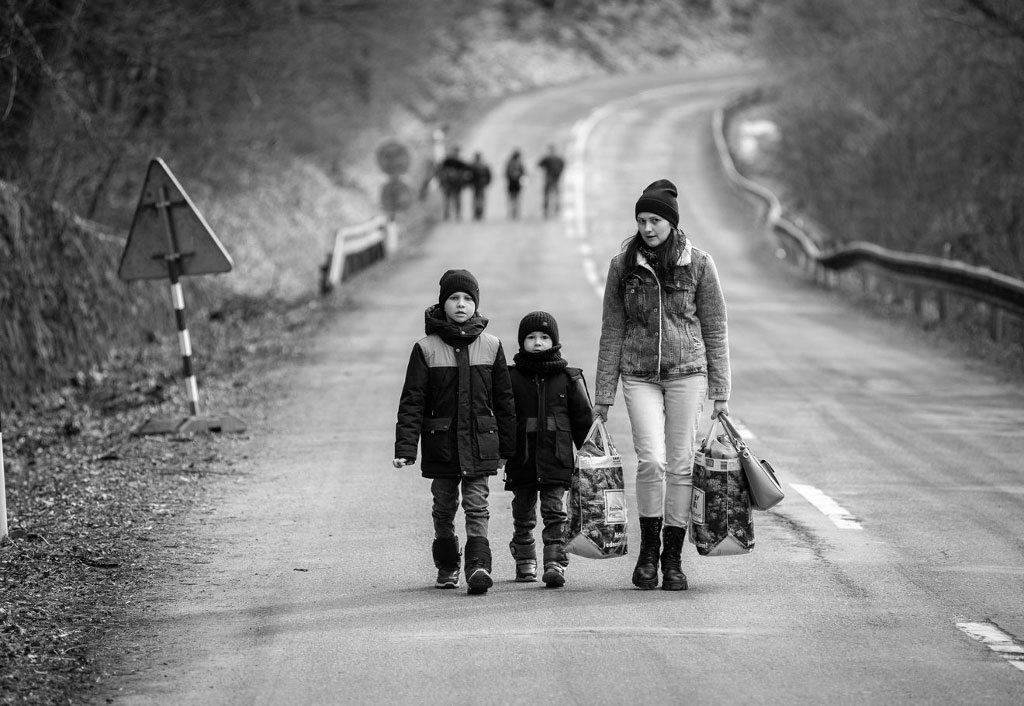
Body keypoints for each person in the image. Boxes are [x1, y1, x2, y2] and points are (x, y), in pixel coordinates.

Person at [593, 179, 731, 592]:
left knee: (681, 464)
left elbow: (715, 328)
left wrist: (721, 391)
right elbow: (612, 330)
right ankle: (648, 552)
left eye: (655, 220)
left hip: (688, 372)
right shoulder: (623, 266)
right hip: (639, 374)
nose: (647, 228)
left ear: (672, 222)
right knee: (651, 461)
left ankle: (672, 559)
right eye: (641, 220)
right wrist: (603, 396)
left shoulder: (699, 264)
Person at [394, 269, 516, 594]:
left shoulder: (492, 346)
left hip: (479, 443)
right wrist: (405, 448)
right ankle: (447, 564)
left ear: (476, 304)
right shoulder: (426, 348)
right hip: (442, 446)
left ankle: (478, 566)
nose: (461, 304)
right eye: (453, 298)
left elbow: (504, 402)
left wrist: (508, 448)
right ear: (442, 303)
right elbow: (413, 402)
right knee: (444, 505)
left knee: (477, 505)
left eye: (467, 298)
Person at [504, 312, 592, 588]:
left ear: (554, 341)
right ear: (522, 342)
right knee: (523, 512)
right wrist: (500, 453)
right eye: (531, 337)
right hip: (522, 459)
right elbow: (502, 418)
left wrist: (590, 455)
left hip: (557, 458)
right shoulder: (510, 377)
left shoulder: (568, 378)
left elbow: (583, 422)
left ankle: (555, 562)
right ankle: (524, 559)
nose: (538, 342)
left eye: (544, 337)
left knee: (555, 512)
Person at [437, 146, 471, 221]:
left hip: (456, 185)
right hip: (448, 184)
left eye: (456, 152)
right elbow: (440, 172)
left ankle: (457, 214)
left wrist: (464, 181)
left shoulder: (460, 163)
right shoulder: (446, 162)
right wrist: (442, 181)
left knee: (457, 200)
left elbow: (467, 172)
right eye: (455, 152)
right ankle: (447, 214)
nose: (455, 154)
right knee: (447, 200)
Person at [537, 145, 565, 219]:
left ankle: (546, 211)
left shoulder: (547, 158)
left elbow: (539, 165)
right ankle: (556, 210)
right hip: (556, 179)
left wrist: (545, 170)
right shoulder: (559, 159)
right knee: (556, 195)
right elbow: (563, 165)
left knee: (547, 195)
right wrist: (559, 173)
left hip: (549, 179)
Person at [469, 152, 492, 221]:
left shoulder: (482, 166)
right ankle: (477, 213)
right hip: (476, 186)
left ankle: (480, 213)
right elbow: (469, 176)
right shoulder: (473, 166)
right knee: (477, 200)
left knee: (479, 200)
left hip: (481, 185)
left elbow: (488, 175)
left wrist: (487, 182)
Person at [504, 149, 526, 220]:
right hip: (516, 184)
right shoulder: (519, 164)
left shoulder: (509, 163)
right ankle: (515, 213)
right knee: (516, 199)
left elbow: (506, 174)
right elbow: (524, 173)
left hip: (511, 183)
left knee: (511, 199)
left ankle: (512, 213)